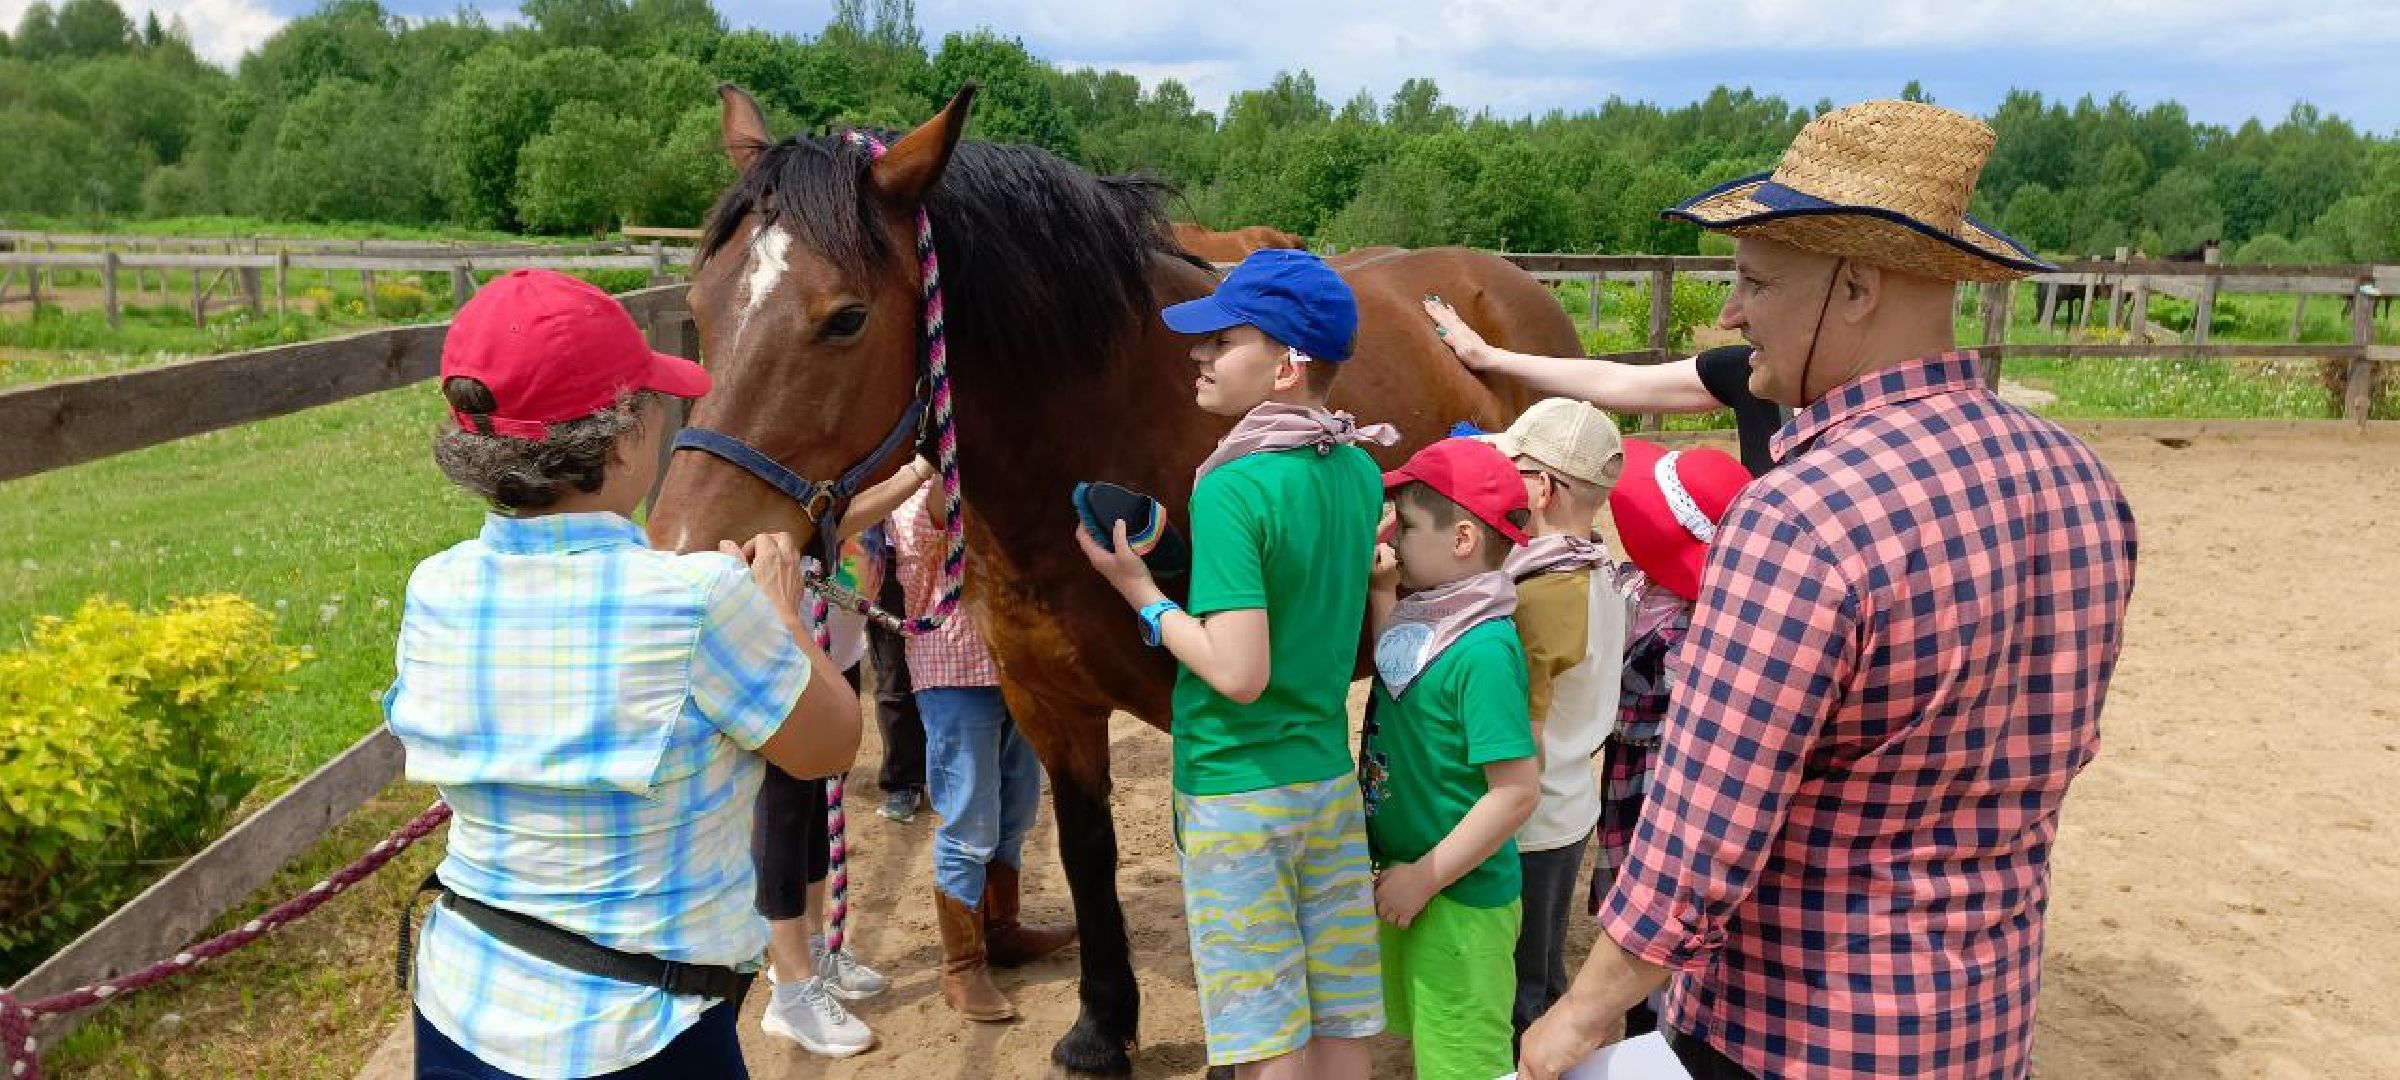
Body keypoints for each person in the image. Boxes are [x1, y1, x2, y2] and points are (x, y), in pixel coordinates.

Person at [1517, 100, 2140, 1080]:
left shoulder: (1801, 515)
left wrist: (1582, 1014)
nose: (1732, 314)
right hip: (1983, 1020)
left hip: (1797, 1033)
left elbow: (1700, 835)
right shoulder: (2081, 480)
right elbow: (2063, 746)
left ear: (1856, 287)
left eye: (1757, 281)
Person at [386, 269, 862, 1079]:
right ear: (620, 440)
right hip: (642, 1030)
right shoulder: (698, 601)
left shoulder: (437, 584)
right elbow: (826, 745)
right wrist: (784, 614)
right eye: (653, 407)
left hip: (464, 1005)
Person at [1077, 249, 1390, 1080]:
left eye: (1223, 340)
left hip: (1235, 790)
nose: (1198, 354)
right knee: (1337, 1025)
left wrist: (1141, 591)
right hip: (1323, 780)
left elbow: (1239, 670)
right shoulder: (1357, 468)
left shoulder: (1232, 488)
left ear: (1286, 365)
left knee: (1264, 1041)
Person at [1362, 437, 1542, 1080]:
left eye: (1406, 524)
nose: (1393, 536)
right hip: (1413, 878)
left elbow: (1517, 792)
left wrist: (1426, 877)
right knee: (1430, 1042)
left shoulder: (1485, 649)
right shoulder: (1430, 615)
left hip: (1458, 897)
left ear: (1463, 539)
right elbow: (1399, 665)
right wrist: (1384, 594)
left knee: (1463, 1061)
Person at [887, 474, 1077, 1022]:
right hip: (954, 673)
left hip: (1014, 667)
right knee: (968, 817)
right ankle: (962, 963)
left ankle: (1002, 928)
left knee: (1016, 807)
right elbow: (930, 523)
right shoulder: (912, 490)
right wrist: (947, 457)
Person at [1472, 400, 1629, 1045]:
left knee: (1518, 989)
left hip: (1528, 820)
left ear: (1538, 487)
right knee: (1540, 963)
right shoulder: (1599, 569)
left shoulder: (1539, 591)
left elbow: (1524, 731)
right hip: (1568, 807)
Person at [1585, 438, 1748, 1039]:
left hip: (1657, 784)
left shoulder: (1687, 637)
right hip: (1631, 774)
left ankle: (1658, 1031)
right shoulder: (1646, 589)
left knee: (1657, 906)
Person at [748, 529, 891, 1058]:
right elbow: (842, 509)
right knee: (783, 816)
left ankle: (812, 949)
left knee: (811, 813)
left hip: (837, 654)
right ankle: (789, 991)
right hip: (790, 661)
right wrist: (920, 467)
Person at [1424, 308, 1784, 475]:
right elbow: (1615, 382)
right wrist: (1491, 357)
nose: (1727, 315)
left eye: (1759, 284)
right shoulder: (1746, 373)